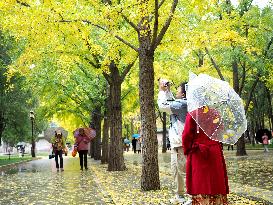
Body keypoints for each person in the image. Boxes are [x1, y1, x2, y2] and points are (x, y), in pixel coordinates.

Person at [182, 109, 229, 205]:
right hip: (215, 151)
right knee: (216, 182)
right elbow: (221, 132)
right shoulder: (216, 114)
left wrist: (187, 149)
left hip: (199, 153)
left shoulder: (193, 114)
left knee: (201, 183)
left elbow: (186, 135)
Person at [157, 78, 190, 204]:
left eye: (178, 89)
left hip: (181, 143)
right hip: (177, 143)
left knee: (184, 171)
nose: (176, 90)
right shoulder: (183, 103)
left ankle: (192, 197)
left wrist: (161, 90)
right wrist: (168, 91)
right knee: (176, 170)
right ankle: (180, 196)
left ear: (183, 93)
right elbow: (171, 102)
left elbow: (163, 106)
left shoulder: (182, 104)